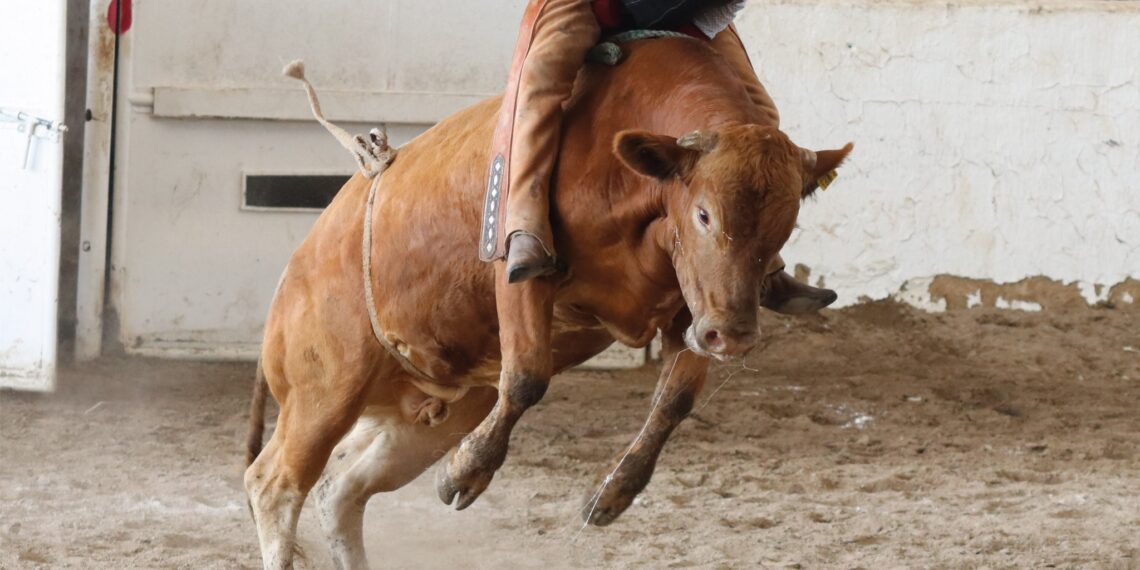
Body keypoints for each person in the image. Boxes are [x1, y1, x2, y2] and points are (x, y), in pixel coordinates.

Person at [484, 0, 835, 312]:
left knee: (759, 116)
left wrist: (687, 32)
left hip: (686, 12)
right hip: (584, 5)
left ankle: (765, 267)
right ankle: (523, 226)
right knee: (536, 94)